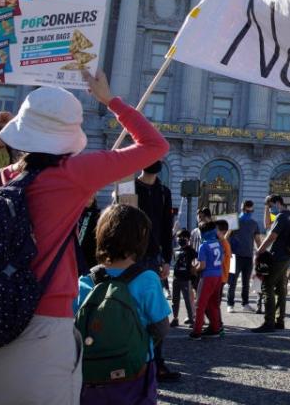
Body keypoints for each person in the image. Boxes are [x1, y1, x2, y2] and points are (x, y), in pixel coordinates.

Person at [0, 70, 169, 405]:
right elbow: (155, 146)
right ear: (69, 136)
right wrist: (111, 101)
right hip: (42, 323)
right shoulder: (73, 175)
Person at [75, 204, 170, 404]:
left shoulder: (85, 280)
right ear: (140, 240)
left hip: (90, 370)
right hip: (136, 368)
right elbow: (161, 327)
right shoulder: (147, 279)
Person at [133, 160, 178, 382]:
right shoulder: (128, 188)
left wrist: (167, 259)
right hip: (131, 255)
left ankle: (156, 361)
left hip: (152, 257)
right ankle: (136, 358)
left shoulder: (163, 191)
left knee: (155, 311)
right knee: (133, 308)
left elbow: (166, 226)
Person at [252, 195, 290, 332]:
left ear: (277, 203)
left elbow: (271, 236)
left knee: (267, 286)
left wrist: (259, 250)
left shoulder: (281, 217)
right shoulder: (289, 216)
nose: (270, 209)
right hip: (286, 257)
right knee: (280, 289)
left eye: (270, 205)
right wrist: (266, 209)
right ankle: (279, 321)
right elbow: (268, 226)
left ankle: (269, 323)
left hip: (277, 257)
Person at [190, 221, 224, 339]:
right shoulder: (219, 243)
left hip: (208, 276)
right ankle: (215, 329)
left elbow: (202, 266)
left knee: (200, 304)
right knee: (214, 304)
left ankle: (197, 332)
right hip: (218, 275)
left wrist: (195, 269)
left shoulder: (203, 246)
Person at [227, 200, 260, 312]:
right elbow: (226, 237)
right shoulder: (234, 221)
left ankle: (245, 303)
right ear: (244, 209)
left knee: (246, 282)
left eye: (252, 210)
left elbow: (258, 240)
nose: (251, 212)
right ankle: (230, 304)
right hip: (234, 256)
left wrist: (260, 253)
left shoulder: (254, 224)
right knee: (232, 281)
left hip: (248, 256)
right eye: (250, 210)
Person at [170, 229, 196, 327]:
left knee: (187, 300)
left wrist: (194, 272)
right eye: (179, 237)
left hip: (186, 279)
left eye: (183, 237)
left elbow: (195, 261)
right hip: (176, 278)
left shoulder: (191, 250)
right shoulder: (176, 250)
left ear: (188, 239)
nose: (180, 239)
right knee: (175, 300)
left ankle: (191, 318)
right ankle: (175, 318)